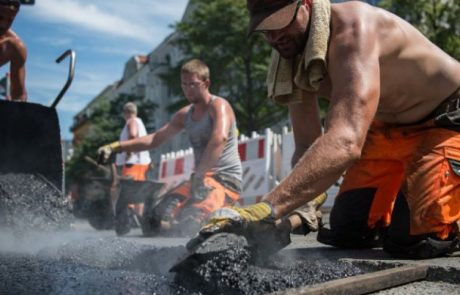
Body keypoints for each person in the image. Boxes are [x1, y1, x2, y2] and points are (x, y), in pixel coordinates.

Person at [192, 0, 460, 259]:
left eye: (280, 24)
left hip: (445, 120)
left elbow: (345, 142)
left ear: (306, 4)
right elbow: (308, 147)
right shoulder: (292, 57)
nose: (274, 38)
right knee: (350, 233)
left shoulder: (354, 30)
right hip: (386, 130)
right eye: (266, 30)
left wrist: (267, 208)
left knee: (415, 240)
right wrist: (291, 216)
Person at [97, 59, 243, 236]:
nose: (188, 89)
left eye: (193, 84)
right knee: (154, 220)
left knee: (195, 217)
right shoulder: (185, 115)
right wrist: (115, 147)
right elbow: (155, 139)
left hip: (224, 179)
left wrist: (199, 175)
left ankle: (226, 228)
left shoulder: (218, 105)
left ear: (206, 83)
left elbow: (219, 138)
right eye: (185, 84)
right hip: (199, 180)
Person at [112, 102, 151, 233]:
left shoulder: (131, 121)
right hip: (141, 163)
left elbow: (133, 134)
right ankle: (139, 219)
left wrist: (129, 151)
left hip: (133, 163)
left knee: (127, 192)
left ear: (126, 112)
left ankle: (128, 220)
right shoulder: (139, 121)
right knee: (138, 192)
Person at [0, 0, 26, 101]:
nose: (3, 25)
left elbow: (19, 94)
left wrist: (21, 114)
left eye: (10, 20)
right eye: (0, 17)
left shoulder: (15, 47)